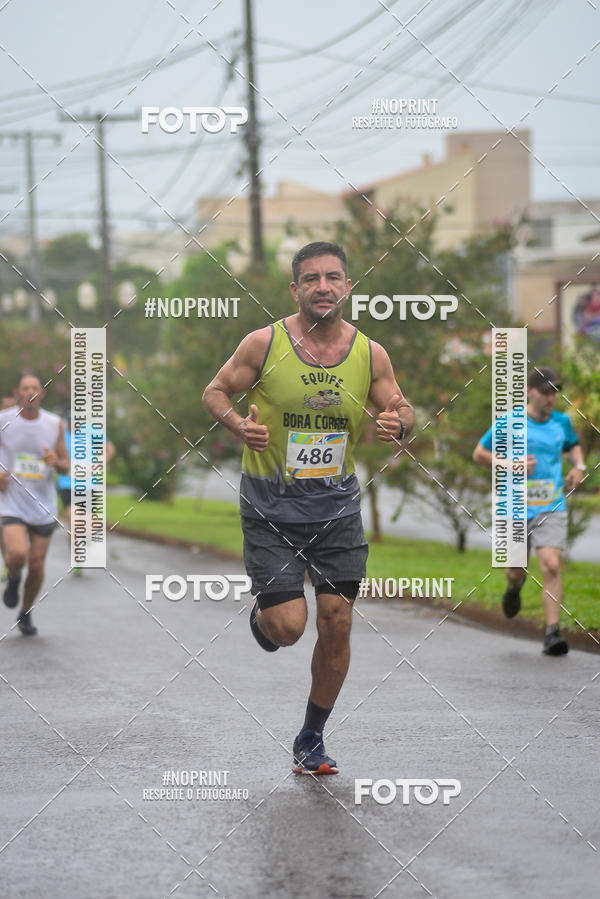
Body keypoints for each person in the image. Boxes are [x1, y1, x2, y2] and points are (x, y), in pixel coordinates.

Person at [203, 241, 414, 773]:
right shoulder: (264, 342)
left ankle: (311, 737)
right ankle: (264, 617)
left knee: (337, 621)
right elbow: (215, 391)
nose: (324, 286)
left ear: (347, 286)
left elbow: (399, 405)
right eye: (312, 278)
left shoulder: (371, 353)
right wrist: (239, 425)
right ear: (295, 289)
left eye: (334, 277)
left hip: (337, 509)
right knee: (289, 629)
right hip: (271, 509)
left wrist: (400, 423)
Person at [473, 366, 586, 656]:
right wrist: (511, 465)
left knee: (550, 564)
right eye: (545, 392)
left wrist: (579, 466)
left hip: (551, 504)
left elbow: (573, 447)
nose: (551, 398)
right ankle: (514, 587)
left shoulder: (561, 422)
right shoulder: (510, 421)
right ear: (529, 392)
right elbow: (480, 454)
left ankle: (552, 633)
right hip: (515, 505)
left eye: (554, 392)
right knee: (515, 570)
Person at [0, 372, 69, 635]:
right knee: (17, 555)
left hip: (43, 504)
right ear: (17, 393)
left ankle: (25, 612)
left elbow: (65, 465)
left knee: (38, 564)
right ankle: (14, 577)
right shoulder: (3, 421)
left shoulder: (54, 423)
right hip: (11, 501)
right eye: (25, 387)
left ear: (42, 393)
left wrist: (56, 461)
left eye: (35, 387)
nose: (30, 392)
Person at [56, 414, 115, 576]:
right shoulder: (59, 434)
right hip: (67, 484)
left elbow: (109, 449)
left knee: (90, 525)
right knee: (73, 520)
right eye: (70, 425)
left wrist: (99, 463)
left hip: (89, 486)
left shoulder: (91, 431)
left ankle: (84, 541)